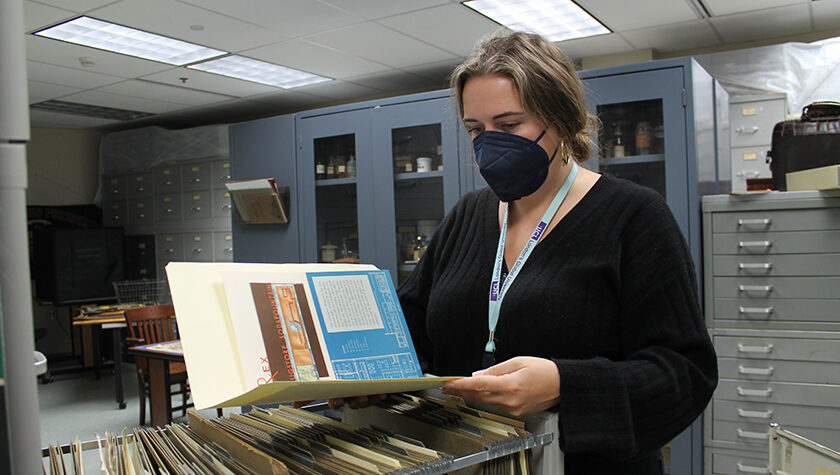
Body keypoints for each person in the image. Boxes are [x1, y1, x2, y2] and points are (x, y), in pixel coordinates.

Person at [395, 32, 718, 473]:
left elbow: (684, 372)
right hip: (470, 459)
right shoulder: (468, 215)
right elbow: (410, 329)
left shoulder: (634, 216)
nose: (489, 145)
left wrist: (567, 384)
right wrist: (368, 375)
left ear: (562, 120)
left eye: (510, 125)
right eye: (476, 129)